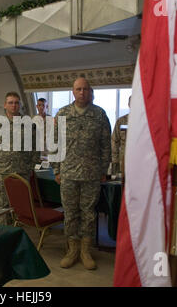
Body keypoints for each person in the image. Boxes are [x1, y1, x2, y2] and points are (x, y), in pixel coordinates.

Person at [52, 77, 111, 270]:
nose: (82, 92)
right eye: (78, 89)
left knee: (88, 213)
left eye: (85, 89)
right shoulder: (62, 114)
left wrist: (103, 170)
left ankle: (86, 251)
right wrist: (56, 170)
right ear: (73, 91)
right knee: (70, 213)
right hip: (68, 173)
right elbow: (55, 144)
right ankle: (72, 250)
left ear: (90, 91)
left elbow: (105, 146)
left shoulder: (99, 115)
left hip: (91, 174)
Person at [0, 92, 40, 225]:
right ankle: (4, 233)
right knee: (1, 205)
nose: (14, 105)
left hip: (21, 172)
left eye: (16, 102)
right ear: (5, 105)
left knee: (21, 205)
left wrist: (31, 167)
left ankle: (19, 234)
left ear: (20, 105)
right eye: (10, 102)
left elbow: (35, 148)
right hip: (2, 171)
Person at [111, 96, 131, 176]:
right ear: (129, 104)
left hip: (141, 162)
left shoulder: (146, 122)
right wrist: (115, 161)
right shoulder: (121, 121)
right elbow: (114, 141)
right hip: (124, 162)